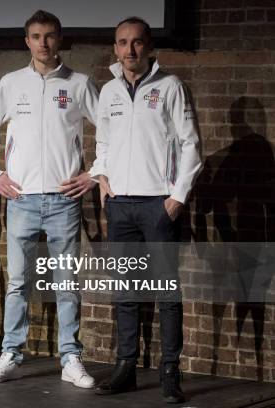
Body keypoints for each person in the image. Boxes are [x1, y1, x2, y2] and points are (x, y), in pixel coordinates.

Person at [0, 10, 99, 386]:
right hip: (22, 199)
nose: (42, 43)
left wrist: (93, 175)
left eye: (49, 36)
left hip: (64, 201)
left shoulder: (79, 84)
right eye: (35, 36)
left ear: (59, 39)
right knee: (18, 283)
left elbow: (110, 131)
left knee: (66, 283)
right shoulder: (12, 83)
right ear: (26, 40)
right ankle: (11, 354)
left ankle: (70, 358)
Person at [90, 17, 202, 404]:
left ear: (149, 46)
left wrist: (177, 199)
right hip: (120, 205)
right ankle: (126, 367)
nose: (130, 50)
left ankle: (171, 371)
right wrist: (102, 179)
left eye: (137, 42)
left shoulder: (170, 87)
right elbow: (103, 142)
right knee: (125, 293)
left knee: (166, 291)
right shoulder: (107, 92)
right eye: (122, 43)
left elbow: (190, 145)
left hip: (158, 205)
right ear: (115, 48)